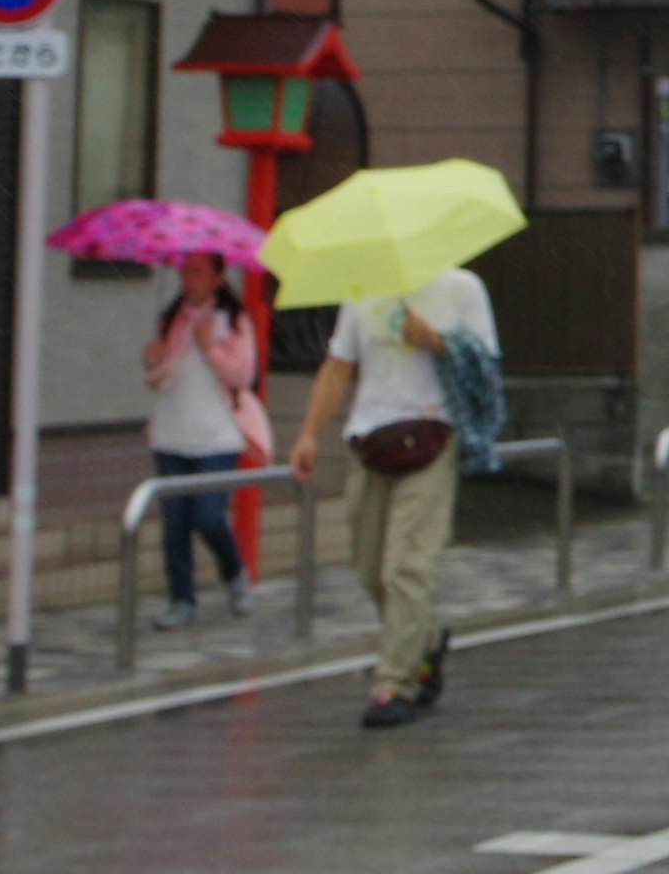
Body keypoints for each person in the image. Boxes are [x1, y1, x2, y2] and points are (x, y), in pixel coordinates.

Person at [288, 262, 497, 730]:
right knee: (369, 567)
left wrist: (438, 341)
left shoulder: (462, 288)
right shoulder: (361, 288)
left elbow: (487, 369)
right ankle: (427, 638)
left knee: (407, 567)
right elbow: (339, 365)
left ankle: (394, 683)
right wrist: (308, 434)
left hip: (432, 439)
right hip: (370, 442)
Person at [141, 254, 265, 627]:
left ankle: (234, 573)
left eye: (198, 272)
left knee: (208, 516)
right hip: (173, 432)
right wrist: (152, 363)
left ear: (217, 277)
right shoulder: (172, 318)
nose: (188, 279)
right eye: (184, 270)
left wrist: (211, 347)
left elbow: (243, 375)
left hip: (218, 435)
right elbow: (161, 380)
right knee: (175, 521)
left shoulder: (234, 319)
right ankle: (181, 599)